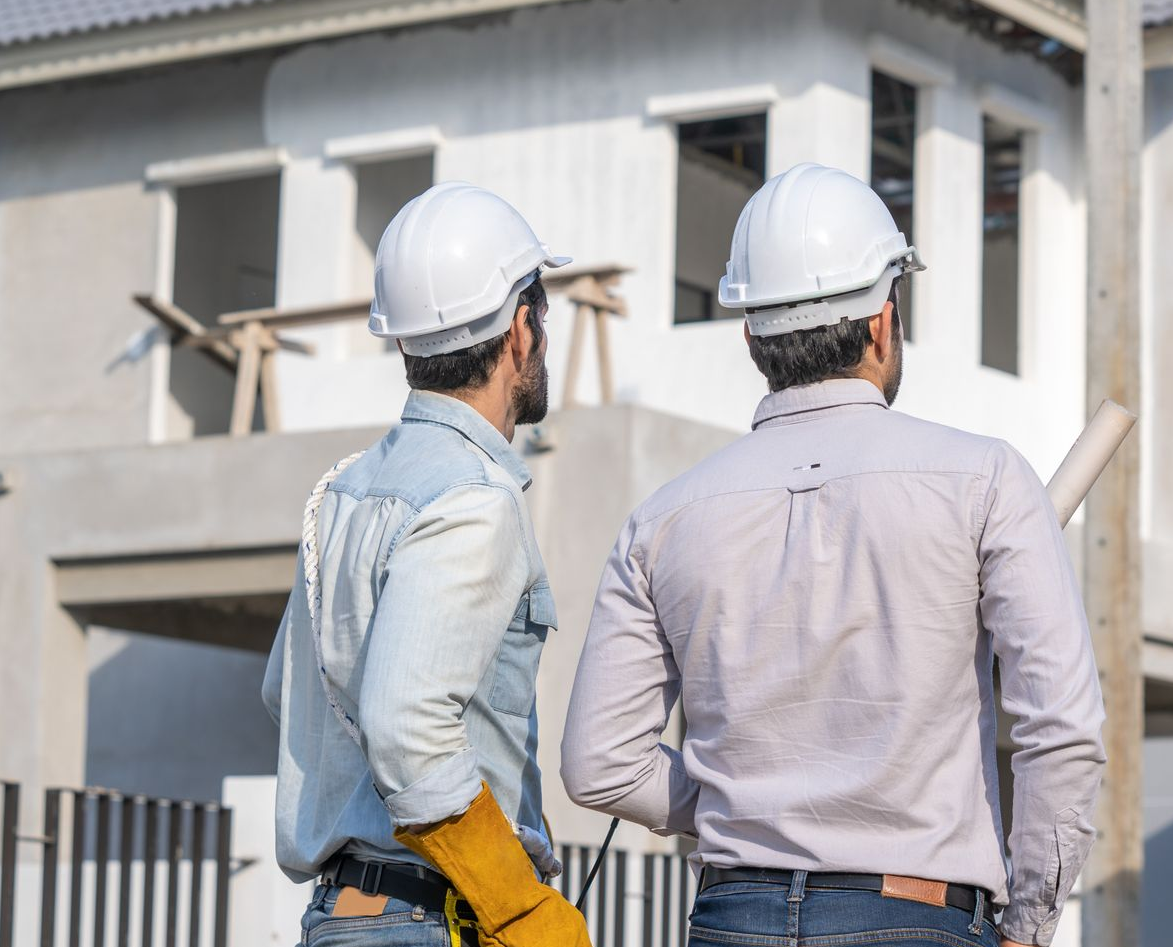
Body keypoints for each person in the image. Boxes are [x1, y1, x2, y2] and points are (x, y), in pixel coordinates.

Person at [561, 163, 1105, 947]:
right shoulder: (985, 480)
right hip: (916, 918)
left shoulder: (663, 520)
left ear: (751, 337)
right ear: (884, 321)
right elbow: (1062, 728)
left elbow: (598, 763)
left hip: (730, 920)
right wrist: (1029, 922)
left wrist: (734, 798)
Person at [262, 182, 591, 947]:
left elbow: (287, 689)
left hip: (342, 917)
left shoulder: (346, 487)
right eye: (541, 313)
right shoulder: (476, 496)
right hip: (429, 920)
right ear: (520, 329)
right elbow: (406, 725)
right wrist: (515, 900)